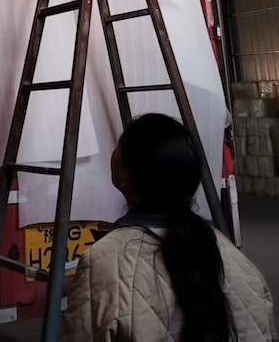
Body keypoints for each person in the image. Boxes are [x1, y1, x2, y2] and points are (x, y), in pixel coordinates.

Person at [62, 113, 276, 341]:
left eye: (118, 147)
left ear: (125, 175)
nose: (113, 153)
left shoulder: (103, 262)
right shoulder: (236, 260)